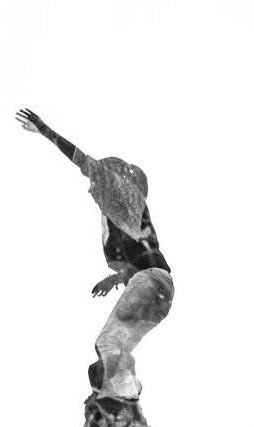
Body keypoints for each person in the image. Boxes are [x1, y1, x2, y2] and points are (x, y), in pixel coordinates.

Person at [15, 109, 174, 400]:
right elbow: (140, 259)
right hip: (158, 292)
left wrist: (44, 129)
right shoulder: (125, 218)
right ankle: (127, 400)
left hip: (151, 284)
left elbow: (82, 161)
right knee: (116, 349)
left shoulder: (121, 193)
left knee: (107, 342)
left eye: (95, 184)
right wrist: (114, 279)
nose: (90, 190)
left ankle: (121, 400)